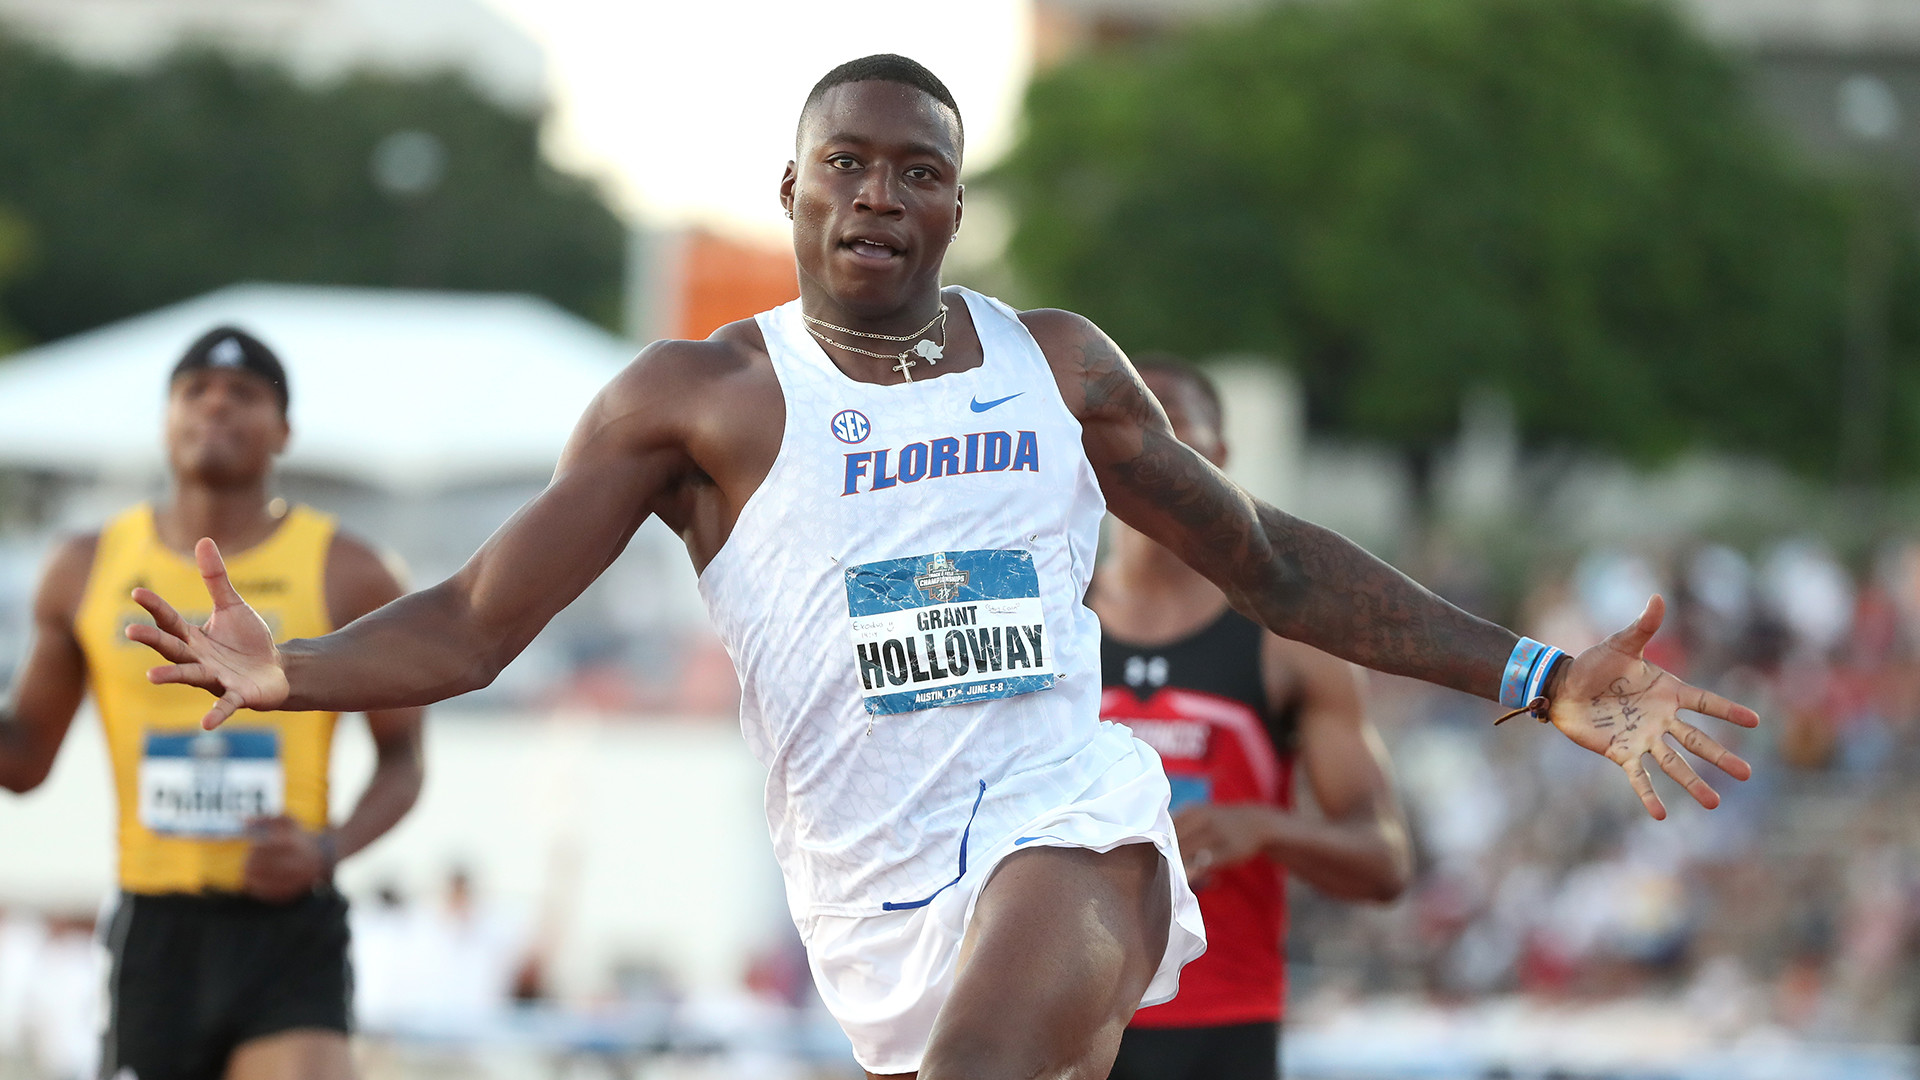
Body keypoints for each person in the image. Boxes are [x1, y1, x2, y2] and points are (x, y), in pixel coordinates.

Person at [124, 56, 1758, 1080]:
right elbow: (480, 620)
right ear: (791, 189)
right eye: (848, 162)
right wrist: (291, 671)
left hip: (1068, 820)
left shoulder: (1059, 367)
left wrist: (1536, 673)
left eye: (918, 171)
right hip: (871, 900)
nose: (879, 195)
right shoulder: (697, 401)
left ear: (957, 209)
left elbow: (1269, 562)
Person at [0, 327, 425, 1080]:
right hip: (155, 926)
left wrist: (326, 850)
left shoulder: (351, 570)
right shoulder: (84, 566)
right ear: (166, 420)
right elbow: (24, 760)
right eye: (195, 390)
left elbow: (404, 760)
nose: (217, 404)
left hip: (286, 921)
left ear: (284, 430)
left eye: (245, 393)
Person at [1093, 360, 1411, 1080]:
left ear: (1220, 457)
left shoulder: (1289, 644)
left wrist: (1263, 828)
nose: (1146, 447)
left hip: (1222, 1028)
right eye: (1123, 426)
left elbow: (1386, 862)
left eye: (1172, 427)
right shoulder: (1047, 624)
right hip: (1063, 1016)